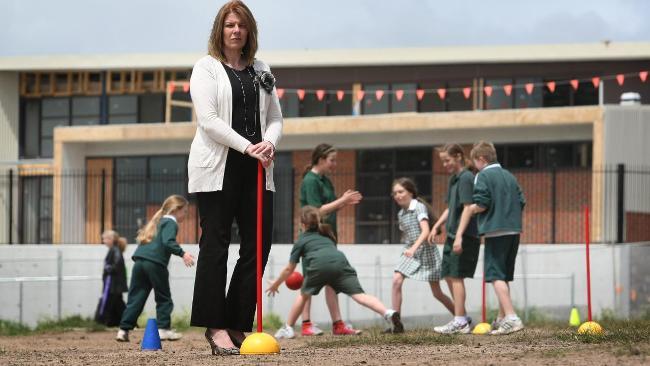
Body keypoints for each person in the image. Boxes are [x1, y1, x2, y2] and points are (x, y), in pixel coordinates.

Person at [187, 0, 283, 356]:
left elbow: (275, 117)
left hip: (258, 167)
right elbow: (209, 120)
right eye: (230, 25)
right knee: (216, 245)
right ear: (220, 30)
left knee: (259, 246)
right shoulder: (206, 68)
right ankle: (215, 327)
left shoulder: (261, 69)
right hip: (218, 168)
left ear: (249, 31)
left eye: (241, 25)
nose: (236, 30)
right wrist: (248, 146)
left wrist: (268, 142)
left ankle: (237, 322)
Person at [268, 206, 403, 338]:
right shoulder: (327, 236)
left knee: (304, 294)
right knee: (360, 296)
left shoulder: (301, 241)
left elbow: (289, 269)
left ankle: (288, 327)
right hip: (341, 262)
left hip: (319, 265)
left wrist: (276, 284)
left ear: (302, 225)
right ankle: (388, 313)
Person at [455, 141, 526, 335]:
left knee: (495, 275)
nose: (474, 166)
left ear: (482, 159)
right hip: (513, 230)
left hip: (495, 231)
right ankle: (503, 318)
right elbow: (521, 200)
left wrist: (472, 209)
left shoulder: (483, 175)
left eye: (475, 161)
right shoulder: (509, 176)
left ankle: (512, 317)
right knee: (504, 276)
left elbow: (483, 202)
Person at [298, 143, 362, 336]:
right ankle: (306, 323)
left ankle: (338, 324)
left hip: (327, 236)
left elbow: (329, 207)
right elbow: (315, 211)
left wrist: (344, 202)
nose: (335, 164)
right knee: (310, 279)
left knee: (332, 278)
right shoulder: (310, 181)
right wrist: (342, 200)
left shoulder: (325, 180)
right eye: (332, 160)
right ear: (321, 159)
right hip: (314, 238)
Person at [116, 195, 195, 342]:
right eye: (185, 211)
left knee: (136, 297)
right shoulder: (171, 223)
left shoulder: (157, 221)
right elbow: (168, 242)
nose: (185, 215)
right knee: (163, 297)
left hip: (139, 261)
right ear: (176, 210)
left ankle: (123, 330)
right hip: (155, 263)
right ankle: (163, 329)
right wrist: (183, 254)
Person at [391, 178, 454, 332]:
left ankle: (461, 317)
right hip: (411, 252)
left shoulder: (418, 208)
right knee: (397, 280)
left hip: (426, 253)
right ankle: (396, 324)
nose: (397, 195)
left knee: (437, 293)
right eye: (395, 193)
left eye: (401, 192)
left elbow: (425, 231)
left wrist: (413, 248)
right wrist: (409, 248)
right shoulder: (401, 213)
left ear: (410, 192)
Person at [429, 144, 480, 334]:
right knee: (449, 276)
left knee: (456, 276)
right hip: (452, 235)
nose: (444, 164)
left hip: (464, 236)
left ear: (458, 156)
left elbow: (468, 207)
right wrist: (437, 225)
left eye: (447, 160)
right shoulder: (454, 179)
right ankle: (462, 318)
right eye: (443, 161)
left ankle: (459, 320)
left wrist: (459, 236)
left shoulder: (467, 177)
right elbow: (450, 208)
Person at [94, 230, 127, 327]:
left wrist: (108, 268)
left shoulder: (115, 250)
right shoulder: (113, 250)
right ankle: (116, 322)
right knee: (118, 304)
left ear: (111, 239)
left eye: (104, 239)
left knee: (114, 303)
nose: (103, 241)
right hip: (113, 284)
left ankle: (104, 321)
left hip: (113, 285)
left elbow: (117, 265)